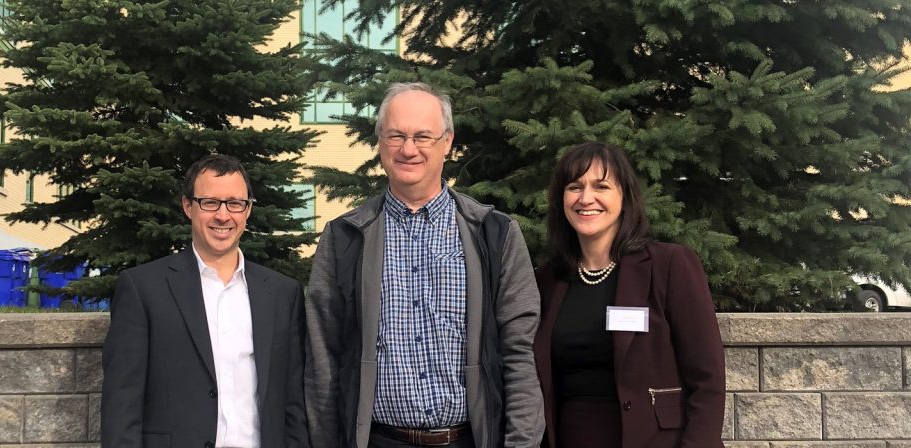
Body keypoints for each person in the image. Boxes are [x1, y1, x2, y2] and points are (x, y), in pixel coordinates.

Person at [305, 82, 545, 448]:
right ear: (380, 142)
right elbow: (323, 357)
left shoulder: (495, 235)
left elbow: (519, 352)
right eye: (396, 136)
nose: (409, 149)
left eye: (423, 136)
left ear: (447, 141)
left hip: (470, 439)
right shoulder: (344, 238)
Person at [102, 154, 309, 448]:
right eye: (209, 202)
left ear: (247, 210)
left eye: (235, 203)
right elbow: (122, 403)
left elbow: (292, 404)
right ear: (188, 206)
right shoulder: (143, 288)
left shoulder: (282, 294)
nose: (223, 216)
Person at [533, 141, 726, 448]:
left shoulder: (669, 265)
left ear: (625, 196)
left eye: (601, 186)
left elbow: (708, 381)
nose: (586, 198)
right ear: (561, 199)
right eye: (574, 187)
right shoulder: (547, 280)